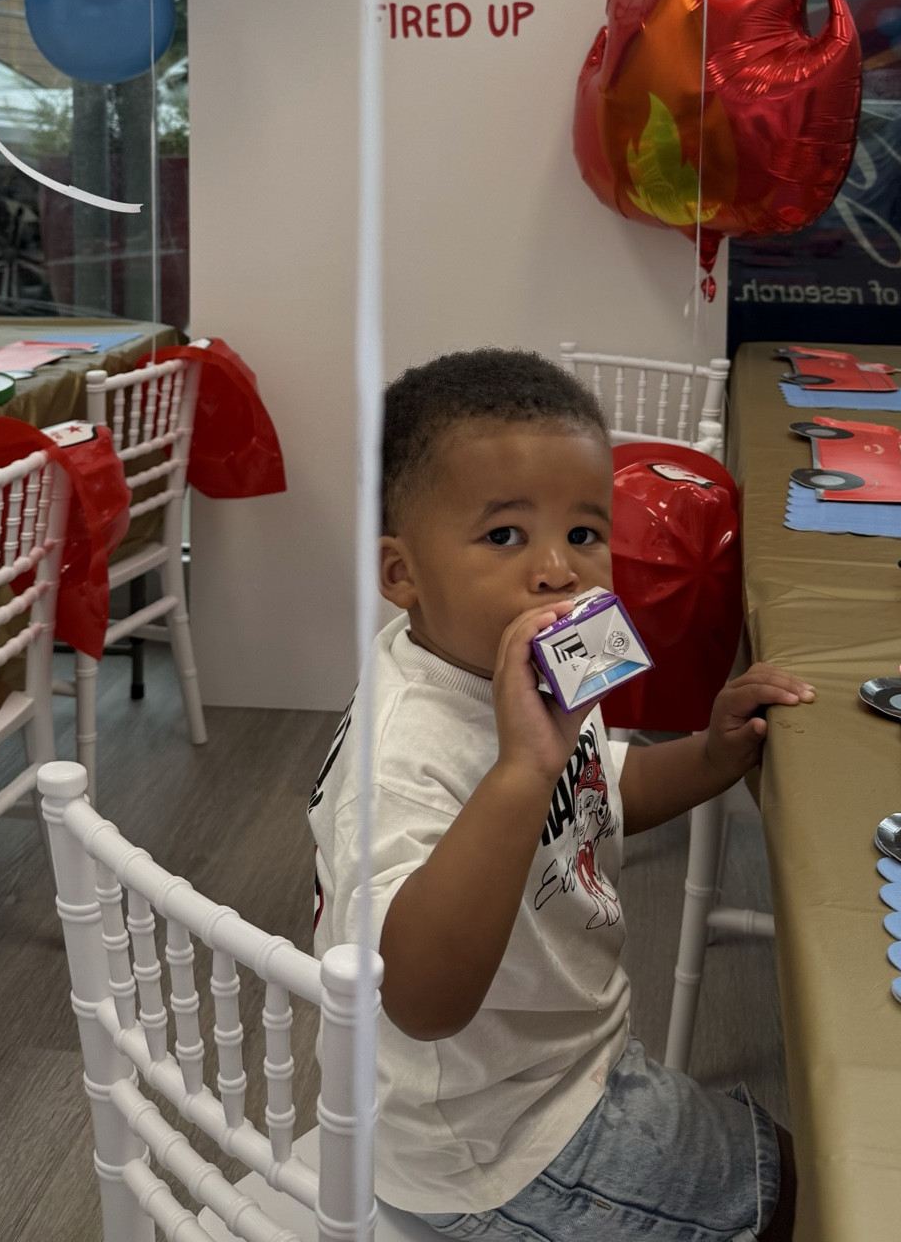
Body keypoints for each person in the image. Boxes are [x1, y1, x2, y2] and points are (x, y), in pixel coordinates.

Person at [309, 348, 812, 1239]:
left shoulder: (531, 674)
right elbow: (418, 1002)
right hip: (486, 1142)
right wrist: (519, 769)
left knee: (785, 1146)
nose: (557, 571)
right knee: (793, 1192)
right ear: (401, 576)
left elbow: (600, 790)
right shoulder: (407, 755)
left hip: (569, 1060)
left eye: (585, 533)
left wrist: (710, 754)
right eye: (505, 536)